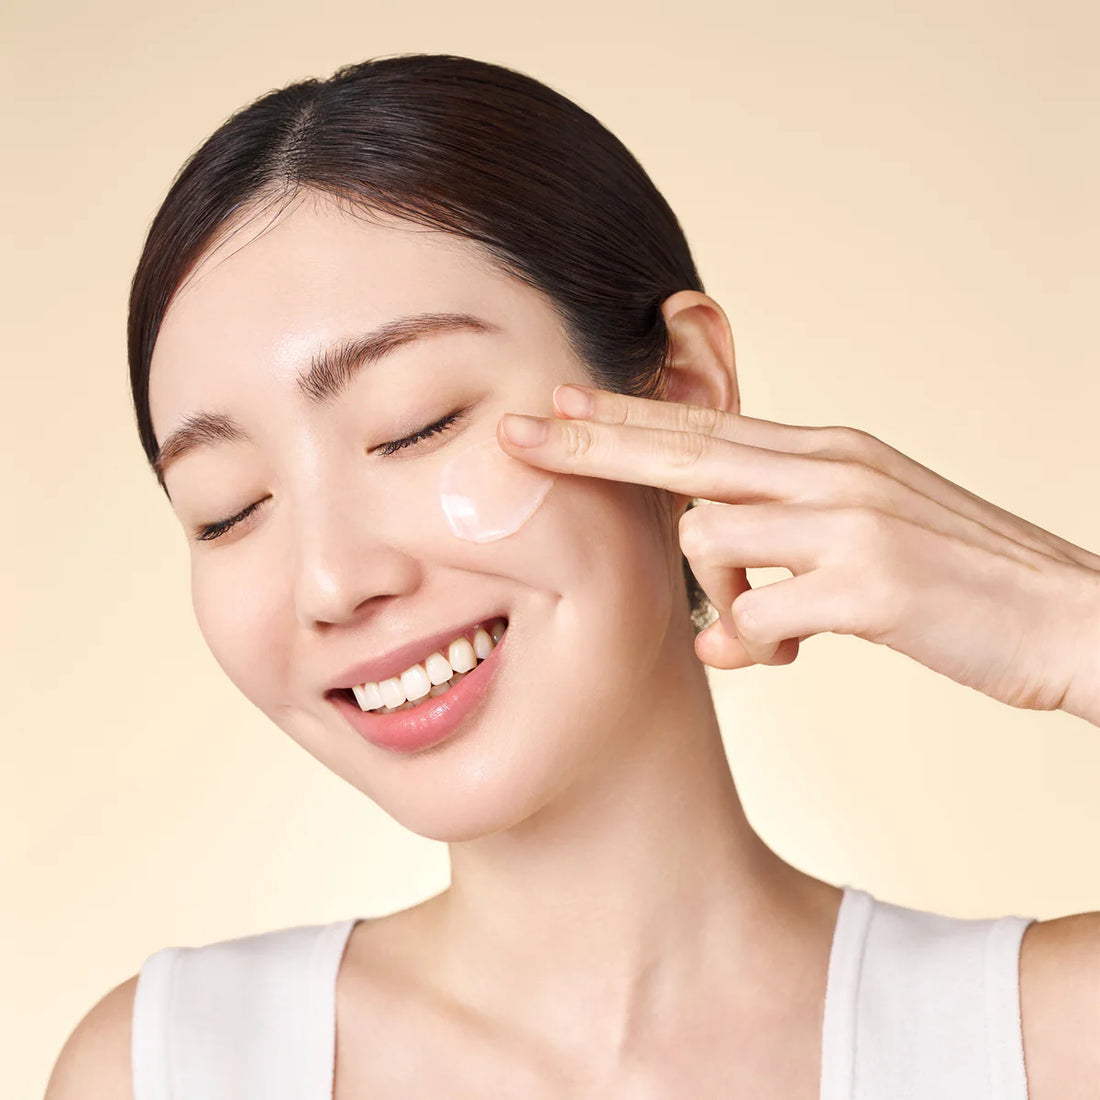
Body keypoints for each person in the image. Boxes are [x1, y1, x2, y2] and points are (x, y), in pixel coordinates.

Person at [46, 52, 1100, 1099]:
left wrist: (1065, 624)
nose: (330, 581)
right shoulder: (166, 1069)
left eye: (416, 424)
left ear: (683, 390)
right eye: (226, 508)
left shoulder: (1051, 1042)